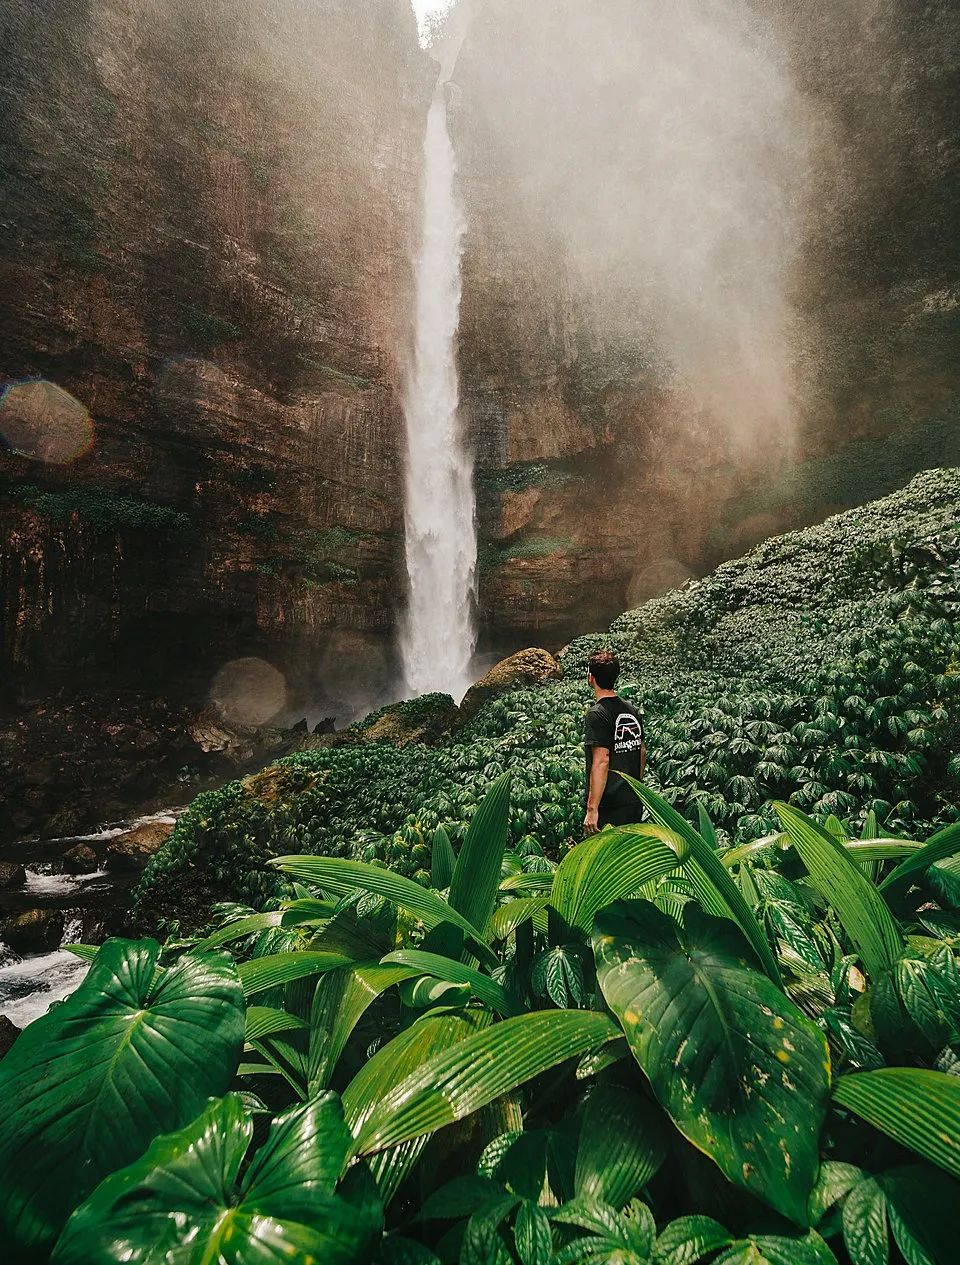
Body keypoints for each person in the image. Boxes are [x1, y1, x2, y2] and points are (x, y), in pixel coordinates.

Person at [583, 648, 646, 835]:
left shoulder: (597, 714)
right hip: (633, 800)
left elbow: (602, 761)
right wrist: (636, 787)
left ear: (591, 677)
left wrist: (592, 809)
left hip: (609, 805)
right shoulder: (631, 710)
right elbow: (642, 751)